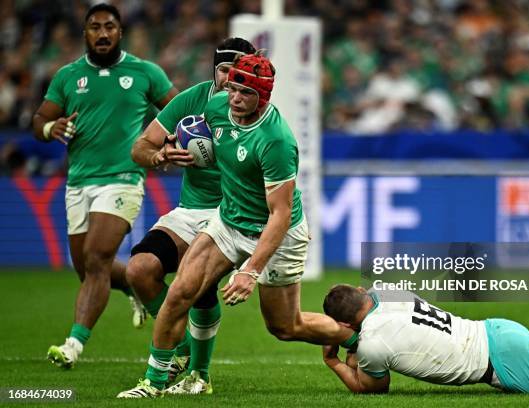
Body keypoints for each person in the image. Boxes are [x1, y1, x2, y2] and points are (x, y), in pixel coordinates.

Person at [118, 52, 356, 398]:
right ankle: (152, 384)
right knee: (181, 291)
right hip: (228, 222)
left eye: (245, 93)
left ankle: (355, 337)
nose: (235, 98)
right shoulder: (216, 109)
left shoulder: (276, 141)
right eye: (232, 89)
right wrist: (172, 148)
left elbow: (280, 214)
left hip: (277, 233)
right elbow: (201, 143)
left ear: (264, 96)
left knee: (285, 327)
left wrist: (250, 271)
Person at [32, 3, 178, 369]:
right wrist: (52, 128)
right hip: (79, 181)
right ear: (85, 33)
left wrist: (169, 143)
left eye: (109, 26)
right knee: (87, 268)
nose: (102, 33)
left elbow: (178, 109)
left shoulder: (145, 72)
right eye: (94, 27)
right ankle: (133, 285)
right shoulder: (68, 76)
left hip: (123, 178)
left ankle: (73, 345)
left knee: (96, 258)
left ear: (120, 32)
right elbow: (40, 119)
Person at [122, 37, 255, 393]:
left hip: (232, 214)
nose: (231, 79)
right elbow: (140, 146)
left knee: (199, 284)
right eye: (225, 70)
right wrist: (159, 156)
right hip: (191, 209)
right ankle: (179, 347)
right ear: (215, 70)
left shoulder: (256, 109)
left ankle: (199, 374)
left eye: (239, 72)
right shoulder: (190, 100)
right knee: (139, 270)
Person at [321, 284, 529, 395]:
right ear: (361, 291)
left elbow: (371, 388)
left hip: (502, 360)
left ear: (345, 324)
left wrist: (333, 360)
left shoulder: (372, 344)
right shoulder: (386, 290)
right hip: (497, 331)